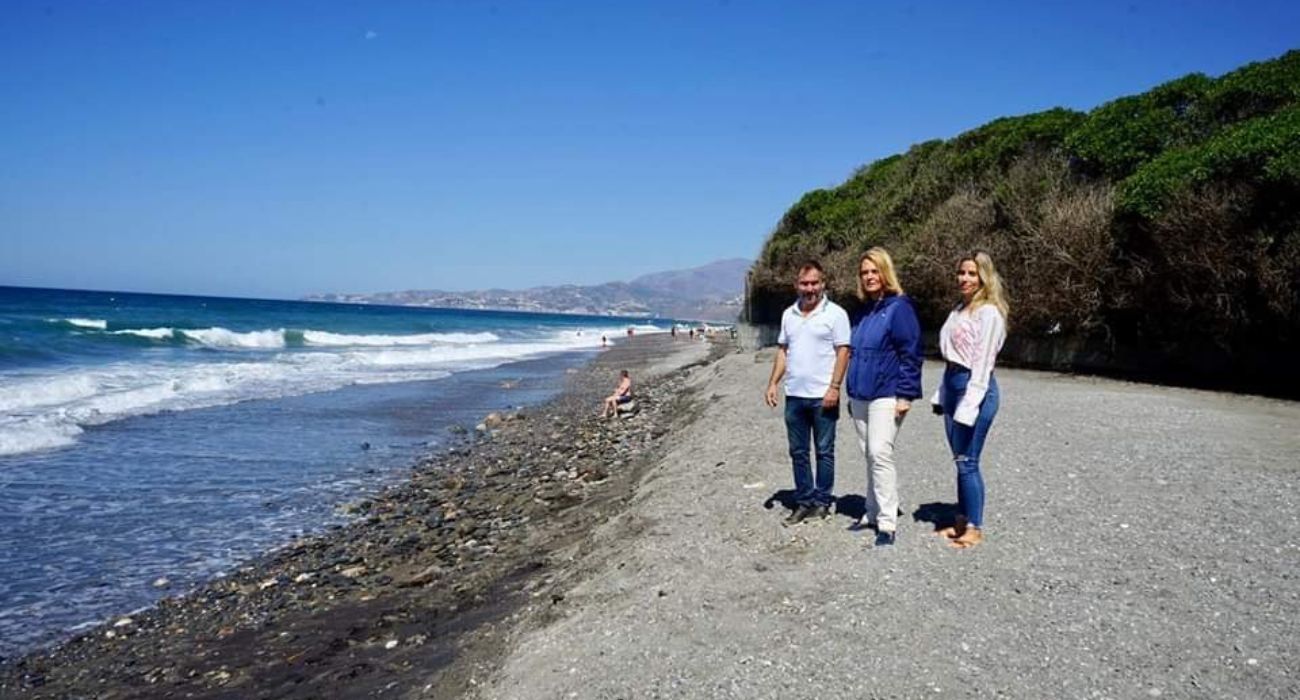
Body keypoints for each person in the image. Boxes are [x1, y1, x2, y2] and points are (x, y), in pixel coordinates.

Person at [931, 250, 1009, 549]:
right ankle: (961, 519)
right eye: (961, 272)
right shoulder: (958, 310)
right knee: (959, 459)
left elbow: (983, 362)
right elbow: (952, 356)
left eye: (972, 274)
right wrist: (942, 393)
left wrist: (969, 403)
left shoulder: (988, 313)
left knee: (968, 461)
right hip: (952, 383)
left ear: (984, 278)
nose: (964, 278)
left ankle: (975, 527)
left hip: (974, 388)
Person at [845, 248, 923, 548]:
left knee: (880, 452)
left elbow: (910, 353)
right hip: (860, 394)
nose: (869, 277)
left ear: (885, 272)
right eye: (864, 272)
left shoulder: (899, 308)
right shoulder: (863, 311)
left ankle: (888, 521)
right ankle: (871, 512)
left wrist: (906, 395)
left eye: (874, 271)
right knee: (869, 454)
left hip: (887, 393)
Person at [764, 260, 851, 525]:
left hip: (824, 395)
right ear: (796, 285)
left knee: (824, 451)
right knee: (798, 452)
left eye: (814, 283)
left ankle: (822, 501)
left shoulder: (836, 314)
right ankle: (803, 501)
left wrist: (834, 387)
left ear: (823, 284)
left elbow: (843, 351)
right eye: (804, 283)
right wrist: (773, 383)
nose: (809, 288)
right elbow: (783, 351)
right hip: (795, 395)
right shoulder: (788, 314)